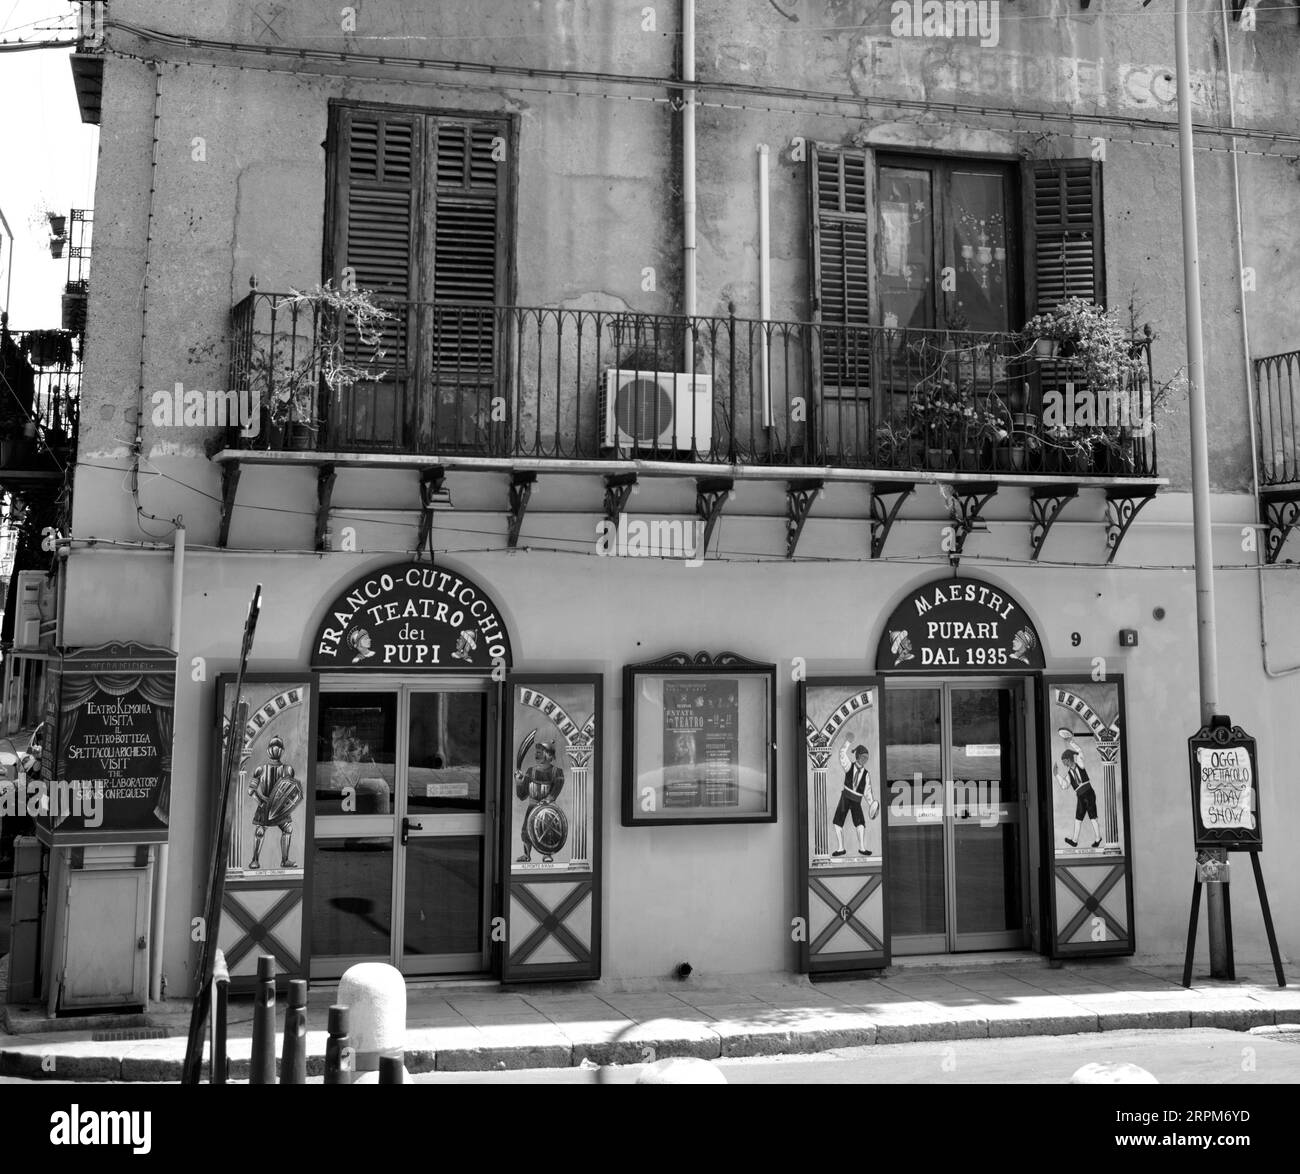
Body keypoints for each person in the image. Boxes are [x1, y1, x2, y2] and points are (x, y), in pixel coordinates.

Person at [248, 734, 304, 869]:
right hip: (264, 804)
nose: (275, 750)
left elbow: (291, 791)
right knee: (260, 831)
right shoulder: (260, 769)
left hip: (280, 807)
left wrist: (285, 806)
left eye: (278, 747)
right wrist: (261, 801)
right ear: (268, 750)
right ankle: (255, 860)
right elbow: (251, 790)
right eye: (273, 747)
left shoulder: (287, 770)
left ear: (282, 750)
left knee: (288, 829)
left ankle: (285, 860)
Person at [514, 740, 565, 862]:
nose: (537, 755)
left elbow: (556, 790)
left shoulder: (556, 772)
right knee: (526, 831)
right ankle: (527, 855)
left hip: (547, 809)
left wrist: (547, 800)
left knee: (548, 831)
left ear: (549, 755)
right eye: (536, 752)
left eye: (540, 752)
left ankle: (547, 854)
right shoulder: (530, 772)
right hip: (532, 808)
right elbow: (522, 796)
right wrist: (518, 782)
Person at [833, 741, 879, 857]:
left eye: (867, 758)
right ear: (857, 756)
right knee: (837, 822)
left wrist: (872, 804)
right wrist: (847, 743)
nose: (865, 759)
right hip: (845, 797)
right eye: (863, 757)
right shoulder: (849, 766)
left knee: (860, 824)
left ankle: (862, 848)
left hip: (857, 800)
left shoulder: (866, 774)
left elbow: (867, 791)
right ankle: (840, 848)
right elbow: (842, 754)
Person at [1056, 747, 1102, 849]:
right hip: (1080, 796)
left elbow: (1080, 752)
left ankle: (1098, 838)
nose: (1064, 764)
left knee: (1093, 816)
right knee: (1078, 818)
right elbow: (1064, 786)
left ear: (1069, 759)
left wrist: (1072, 743)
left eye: (1065, 761)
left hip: (1089, 793)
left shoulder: (1080, 764)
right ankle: (1074, 841)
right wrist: (1057, 775)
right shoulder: (1068, 774)